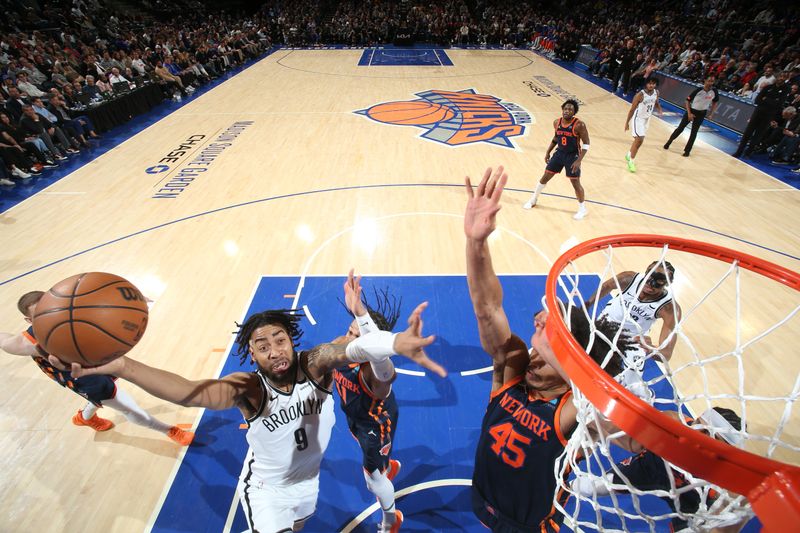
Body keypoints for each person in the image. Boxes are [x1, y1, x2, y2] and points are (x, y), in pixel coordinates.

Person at [51, 303, 444, 533]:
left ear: (292, 342)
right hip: (267, 491)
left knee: (300, 525)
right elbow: (189, 391)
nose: (274, 350)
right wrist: (124, 365)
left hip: (309, 482)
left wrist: (393, 343)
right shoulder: (248, 388)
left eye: (279, 340)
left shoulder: (314, 364)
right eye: (262, 345)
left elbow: (351, 350)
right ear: (251, 355)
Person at [465, 166, 636, 532]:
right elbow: (487, 309)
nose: (534, 354)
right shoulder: (514, 367)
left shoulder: (575, 408)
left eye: (547, 348)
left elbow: (624, 427)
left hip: (531, 524)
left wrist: (553, 343)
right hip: (482, 498)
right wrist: (476, 244)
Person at [0, 291, 194, 445]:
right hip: (78, 375)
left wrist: (132, 302)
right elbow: (6, 340)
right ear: (29, 321)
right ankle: (169, 430)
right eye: (39, 315)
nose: (49, 314)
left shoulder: (68, 310)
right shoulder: (27, 342)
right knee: (127, 406)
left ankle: (84, 418)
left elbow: (103, 301)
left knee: (105, 397)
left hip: (95, 358)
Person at [332, 271, 431, 533]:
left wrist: (365, 317)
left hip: (375, 425)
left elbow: (385, 368)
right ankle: (390, 465)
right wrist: (358, 312)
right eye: (349, 331)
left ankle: (390, 521)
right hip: (356, 417)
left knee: (372, 480)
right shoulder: (339, 346)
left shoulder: (374, 373)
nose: (349, 338)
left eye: (357, 335)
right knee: (378, 466)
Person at [572, 407, 745, 533]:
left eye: (711, 436)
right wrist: (600, 423)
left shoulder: (729, 488)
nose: (700, 436)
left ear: (726, 450)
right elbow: (631, 440)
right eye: (700, 426)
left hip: (692, 498)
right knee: (595, 486)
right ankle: (562, 488)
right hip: (654, 466)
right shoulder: (673, 423)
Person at [585, 261, 681, 375]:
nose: (650, 284)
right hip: (606, 323)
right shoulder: (629, 279)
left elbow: (666, 354)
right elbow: (606, 286)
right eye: (649, 278)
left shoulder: (669, 308)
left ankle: (640, 390)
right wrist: (586, 305)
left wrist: (651, 349)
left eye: (658, 282)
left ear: (667, 283)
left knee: (632, 378)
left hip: (633, 338)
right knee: (587, 356)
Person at [523, 99, 590, 220]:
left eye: (570, 109)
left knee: (575, 183)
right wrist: (548, 151)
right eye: (565, 109)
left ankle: (582, 209)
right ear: (562, 109)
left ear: (574, 112)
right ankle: (533, 199)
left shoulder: (579, 125)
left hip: (572, 156)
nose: (567, 111)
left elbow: (586, 144)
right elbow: (556, 138)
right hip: (559, 154)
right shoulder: (556, 122)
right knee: (544, 177)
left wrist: (579, 160)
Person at [734, 70, 792, 158]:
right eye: (781, 76)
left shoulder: (786, 89)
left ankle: (748, 153)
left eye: (784, 77)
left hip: (769, 115)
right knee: (747, 133)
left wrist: (766, 99)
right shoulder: (768, 87)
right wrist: (772, 100)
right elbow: (757, 100)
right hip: (758, 112)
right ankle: (739, 151)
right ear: (777, 76)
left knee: (758, 135)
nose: (782, 78)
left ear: (786, 78)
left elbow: (780, 104)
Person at [664, 76, 720, 157]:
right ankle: (669, 142)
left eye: (712, 81)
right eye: (709, 81)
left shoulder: (714, 91)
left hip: (701, 113)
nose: (710, 83)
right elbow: (687, 100)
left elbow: (715, 102)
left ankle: (687, 151)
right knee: (680, 128)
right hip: (692, 111)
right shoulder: (698, 90)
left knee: (694, 133)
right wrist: (689, 113)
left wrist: (711, 114)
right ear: (705, 81)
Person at [624, 77, 662, 173]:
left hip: (647, 119)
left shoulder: (656, 92)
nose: (651, 85)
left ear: (655, 85)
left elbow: (656, 102)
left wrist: (660, 109)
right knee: (640, 139)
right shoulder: (640, 95)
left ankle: (629, 154)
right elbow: (632, 109)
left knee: (638, 141)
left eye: (653, 83)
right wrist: (627, 123)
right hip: (638, 119)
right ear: (646, 84)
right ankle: (631, 161)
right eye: (649, 83)